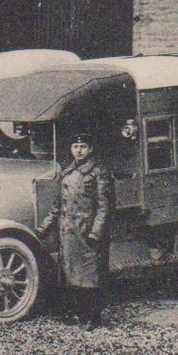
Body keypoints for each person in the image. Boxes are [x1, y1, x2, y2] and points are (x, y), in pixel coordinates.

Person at [38, 133, 114, 328]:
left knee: (89, 277)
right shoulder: (68, 172)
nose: (78, 150)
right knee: (71, 276)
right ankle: (80, 314)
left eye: (83, 147)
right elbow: (58, 206)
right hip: (68, 233)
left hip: (86, 233)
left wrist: (96, 233)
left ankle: (93, 318)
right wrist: (43, 227)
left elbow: (104, 207)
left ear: (90, 149)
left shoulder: (98, 172)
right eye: (75, 147)